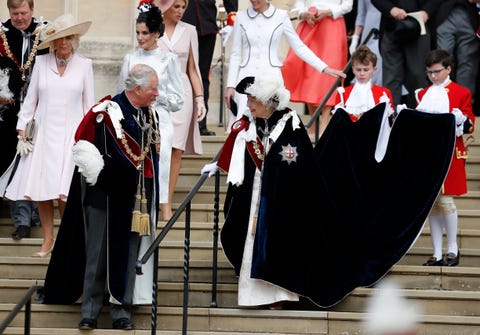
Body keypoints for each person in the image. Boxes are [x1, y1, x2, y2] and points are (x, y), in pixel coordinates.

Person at [202, 73, 457, 308]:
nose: (248, 104)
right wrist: (220, 164)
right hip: (257, 197)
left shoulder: (289, 123)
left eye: (252, 99)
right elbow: (240, 148)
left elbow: (294, 161)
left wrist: (274, 175)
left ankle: (279, 296)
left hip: (284, 202)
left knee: (278, 247)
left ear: (268, 101)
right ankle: (253, 295)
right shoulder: (250, 124)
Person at [42, 64, 161, 331]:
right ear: (137, 88)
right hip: (104, 198)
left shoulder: (149, 115)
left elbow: (150, 158)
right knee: (96, 257)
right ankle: (90, 311)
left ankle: (121, 309)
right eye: (153, 88)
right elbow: (85, 150)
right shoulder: (106, 113)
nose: (157, 93)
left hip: (134, 201)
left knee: (128, 257)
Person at [4, 13, 94, 257]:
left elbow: (89, 107)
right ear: (53, 41)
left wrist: (89, 138)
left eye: (68, 37)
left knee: (65, 192)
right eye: (59, 38)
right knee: (43, 190)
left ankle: (67, 241)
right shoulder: (42, 63)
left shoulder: (85, 64)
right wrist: (22, 127)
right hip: (43, 135)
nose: (63, 43)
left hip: (72, 138)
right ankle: (47, 240)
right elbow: (31, 100)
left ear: (74, 39)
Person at [224, 0, 346, 133]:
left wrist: (324, 67)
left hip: (271, 79)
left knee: (271, 130)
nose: (254, 1)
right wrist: (230, 85)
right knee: (242, 128)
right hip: (245, 78)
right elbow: (235, 54)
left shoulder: (280, 16)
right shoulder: (240, 17)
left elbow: (299, 47)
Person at [118, 1, 184, 225]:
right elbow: (120, 95)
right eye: (137, 32)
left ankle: (161, 207)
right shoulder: (130, 59)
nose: (140, 37)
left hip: (160, 122)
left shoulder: (168, 60)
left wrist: (155, 95)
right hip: (133, 123)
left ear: (156, 34)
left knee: (160, 166)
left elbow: (178, 101)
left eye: (145, 33)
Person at [416, 49, 475, 267]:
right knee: (432, 204)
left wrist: (461, 119)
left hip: (450, 153)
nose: (433, 76)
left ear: (448, 69)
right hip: (428, 154)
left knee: (447, 201)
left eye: (437, 72)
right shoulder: (422, 94)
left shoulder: (461, 93)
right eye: (429, 72)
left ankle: (453, 249)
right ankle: (437, 253)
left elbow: (470, 126)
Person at [0, 0, 47, 240]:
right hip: (7, 114)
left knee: (36, 164)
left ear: (32, 10)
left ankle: (37, 215)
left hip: (41, 111)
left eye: (23, 12)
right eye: (14, 13)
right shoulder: (2, 34)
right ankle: (21, 220)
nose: (19, 17)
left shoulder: (46, 33)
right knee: (17, 163)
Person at [157, 0, 206, 221]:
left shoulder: (190, 31)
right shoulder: (151, 26)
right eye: (176, 6)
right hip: (156, 95)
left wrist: (200, 99)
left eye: (183, 7)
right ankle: (154, 197)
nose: (180, 11)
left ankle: (166, 203)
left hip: (182, 94)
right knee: (158, 148)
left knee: (176, 149)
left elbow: (193, 70)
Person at [282, 0, 353, 136]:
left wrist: (327, 12)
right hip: (310, 25)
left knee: (329, 76)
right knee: (310, 74)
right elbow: (299, 3)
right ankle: (313, 123)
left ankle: (324, 123)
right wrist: (304, 13)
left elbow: (348, 5)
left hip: (332, 26)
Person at [182, 0, 238, 136]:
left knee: (202, 76)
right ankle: (182, 120)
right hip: (182, 22)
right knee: (181, 74)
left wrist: (232, 16)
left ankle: (200, 122)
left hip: (206, 24)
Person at [371, 0, 441, 107]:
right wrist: (391, 9)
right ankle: (390, 119)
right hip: (391, 26)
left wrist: (426, 12)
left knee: (418, 76)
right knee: (391, 78)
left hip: (420, 25)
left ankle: (420, 116)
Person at [435, 0, 480, 108]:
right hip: (444, 12)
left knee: (467, 63)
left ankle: (464, 105)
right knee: (443, 61)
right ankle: (441, 102)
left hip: (470, 13)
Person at [334, 45, 394, 120]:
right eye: (358, 70)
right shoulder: (343, 94)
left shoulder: (384, 93)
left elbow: (389, 123)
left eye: (366, 70)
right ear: (353, 70)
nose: (362, 73)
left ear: (374, 70)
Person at [349, 0, 383, 85]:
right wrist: (355, 39)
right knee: (365, 65)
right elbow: (361, 15)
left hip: (388, 31)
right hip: (368, 34)